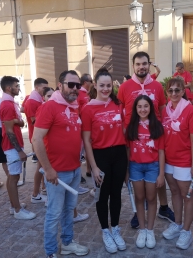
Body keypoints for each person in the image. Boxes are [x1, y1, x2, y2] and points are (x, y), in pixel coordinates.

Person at [32, 70, 89, 258]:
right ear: (60, 85)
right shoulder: (50, 107)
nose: (75, 89)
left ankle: (67, 243)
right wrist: (48, 169)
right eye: (70, 84)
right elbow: (36, 139)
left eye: (77, 85)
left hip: (73, 169)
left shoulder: (74, 106)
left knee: (69, 211)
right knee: (54, 214)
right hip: (57, 172)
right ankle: (50, 251)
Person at [117, 51, 174, 228]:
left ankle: (163, 207)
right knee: (138, 182)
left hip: (155, 136)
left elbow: (163, 108)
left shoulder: (157, 86)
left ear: (149, 65)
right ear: (133, 66)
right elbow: (120, 110)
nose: (141, 67)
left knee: (157, 175)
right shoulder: (125, 87)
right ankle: (137, 212)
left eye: (144, 63)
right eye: (138, 64)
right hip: (133, 137)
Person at [81, 68, 127, 253]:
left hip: (119, 154)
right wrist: (93, 167)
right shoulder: (88, 108)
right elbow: (86, 140)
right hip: (100, 156)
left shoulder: (118, 104)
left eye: (109, 85)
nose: (106, 89)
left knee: (116, 194)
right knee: (102, 196)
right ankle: (105, 231)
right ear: (95, 86)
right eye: (102, 85)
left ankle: (115, 228)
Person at [161, 78, 193, 250]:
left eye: (177, 90)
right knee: (175, 192)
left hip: (185, 161)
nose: (174, 94)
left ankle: (186, 230)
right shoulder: (165, 110)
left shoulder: (191, 110)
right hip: (169, 159)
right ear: (167, 93)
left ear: (183, 91)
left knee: (188, 195)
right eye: (171, 91)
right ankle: (177, 224)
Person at [125, 94, 165, 249]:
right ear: (136, 109)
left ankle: (150, 230)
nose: (143, 109)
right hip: (135, 167)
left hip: (152, 167)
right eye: (139, 106)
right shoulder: (131, 126)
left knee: (151, 198)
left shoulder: (157, 126)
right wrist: (127, 170)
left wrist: (161, 174)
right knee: (139, 198)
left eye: (146, 106)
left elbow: (161, 151)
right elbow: (128, 150)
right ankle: (142, 229)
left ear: (151, 108)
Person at [0, 76, 36, 220]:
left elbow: (18, 123)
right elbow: (9, 130)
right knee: (14, 178)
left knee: (12, 177)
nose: (19, 88)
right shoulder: (7, 105)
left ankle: (13, 205)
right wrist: (19, 150)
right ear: (9, 88)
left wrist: (17, 122)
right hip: (11, 146)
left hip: (13, 145)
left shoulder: (9, 103)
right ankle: (17, 209)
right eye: (16, 85)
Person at [24, 78, 49, 205]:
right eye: (44, 88)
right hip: (39, 139)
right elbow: (35, 120)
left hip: (43, 139)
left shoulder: (36, 99)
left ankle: (43, 189)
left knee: (43, 167)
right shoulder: (33, 101)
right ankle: (35, 193)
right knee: (41, 167)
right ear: (37, 87)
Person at [78, 73, 93, 179]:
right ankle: (78, 175)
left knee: (88, 148)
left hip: (88, 126)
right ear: (85, 82)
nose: (92, 83)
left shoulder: (88, 94)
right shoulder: (79, 94)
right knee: (79, 151)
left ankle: (88, 169)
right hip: (80, 127)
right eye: (91, 81)